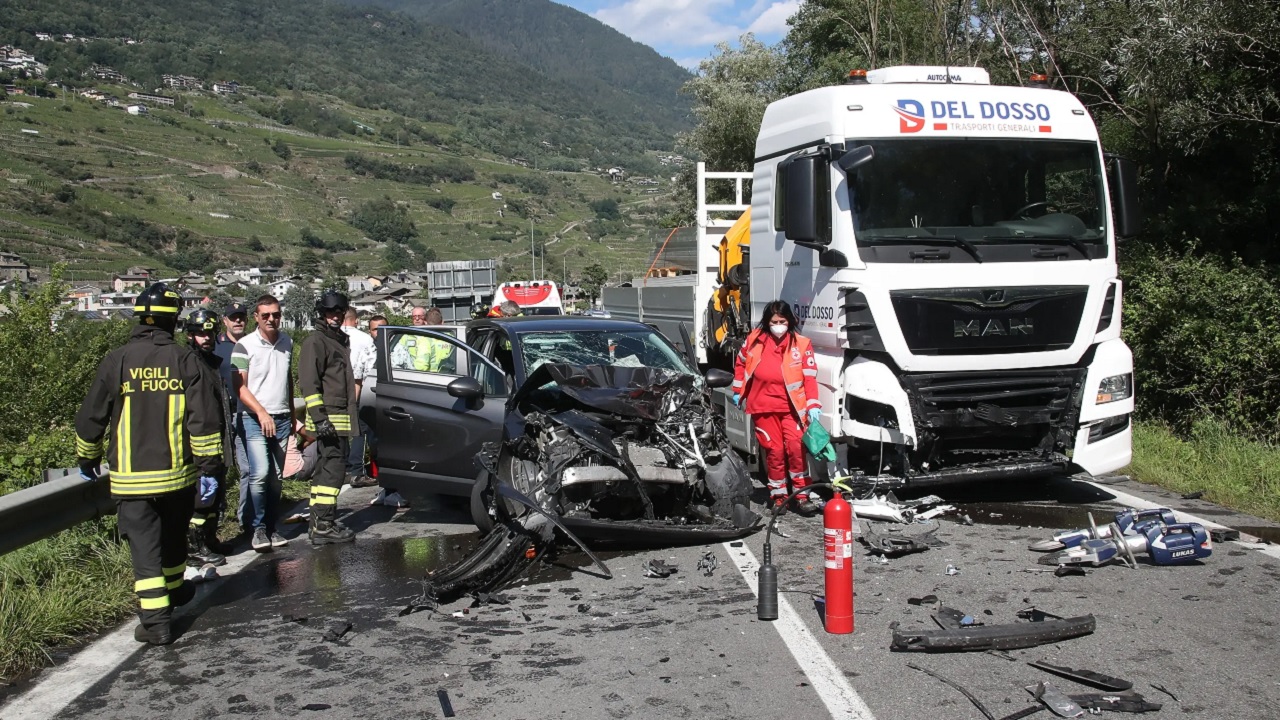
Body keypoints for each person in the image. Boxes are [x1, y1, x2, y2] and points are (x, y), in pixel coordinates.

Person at [75, 283, 225, 645]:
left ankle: (156, 622)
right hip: (178, 477)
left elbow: (91, 417)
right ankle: (174, 594)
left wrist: (87, 454)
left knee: (145, 549)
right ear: (173, 320)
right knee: (173, 539)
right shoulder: (184, 360)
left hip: (133, 480)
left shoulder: (118, 359)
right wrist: (208, 467)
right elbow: (203, 421)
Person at [732, 300, 823, 516]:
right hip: (763, 406)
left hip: (792, 408)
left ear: (790, 321)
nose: (779, 325)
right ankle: (779, 496)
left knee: (795, 448)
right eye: (774, 321)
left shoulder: (801, 344)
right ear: (767, 322)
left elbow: (809, 378)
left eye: (783, 321)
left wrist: (813, 404)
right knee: (774, 451)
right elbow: (741, 363)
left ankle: (801, 496)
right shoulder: (754, 340)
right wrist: (738, 390)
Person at [231, 294, 294, 552]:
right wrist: (261, 413)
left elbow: (287, 381)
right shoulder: (243, 346)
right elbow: (240, 387)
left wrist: (293, 416)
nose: (271, 319)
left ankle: (271, 526)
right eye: (265, 315)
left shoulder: (287, 342)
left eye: (276, 314)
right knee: (259, 474)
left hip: (281, 418)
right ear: (256, 317)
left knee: (277, 477)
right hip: (254, 418)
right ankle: (257, 529)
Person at [298, 290, 360, 544]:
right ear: (321, 313)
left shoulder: (337, 340)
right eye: (330, 311)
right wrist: (320, 418)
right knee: (333, 470)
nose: (335, 316)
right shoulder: (316, 341)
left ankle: (318, 522)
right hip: (330, 419)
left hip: (339, 417)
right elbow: (309, 384)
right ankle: (324, 524)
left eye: (339, 311)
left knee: (326, 469)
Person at [184, 308, 234, 567]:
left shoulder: (210, 363)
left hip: (216, 444)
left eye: (209, 333)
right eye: (200, 334)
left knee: (214, 496)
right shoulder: (190, 363)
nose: (206, 338)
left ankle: (210, 539)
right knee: (201, 500)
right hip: (202, 448)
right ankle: (196, 546)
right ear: (190, 335)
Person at [214, 302, 248, 532]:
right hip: (223, 415)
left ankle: (246, 517)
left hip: (247, 413)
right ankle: (218, 517)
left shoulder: (252, 344)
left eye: (241, 317)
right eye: (233, 317)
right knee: (220, 467)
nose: (238, 321)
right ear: (224, 320)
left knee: (249, 469)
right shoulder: (216, 346)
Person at [341, 308, 377, 488]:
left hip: (334, 392)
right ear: (355, 320)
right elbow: (370, 370)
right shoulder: (364, 339)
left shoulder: (330, 337)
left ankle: (342, 468)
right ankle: (356, 470)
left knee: (338, 431)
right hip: (358, 390)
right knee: (359, 431)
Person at [391, 306, 453, 372]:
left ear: (425, 319)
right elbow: (396, 356)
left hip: (427, 375)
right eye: (414, 317)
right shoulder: (406, 336)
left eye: (420, 316)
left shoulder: (426, 339)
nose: (417, 319)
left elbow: (421, 367)